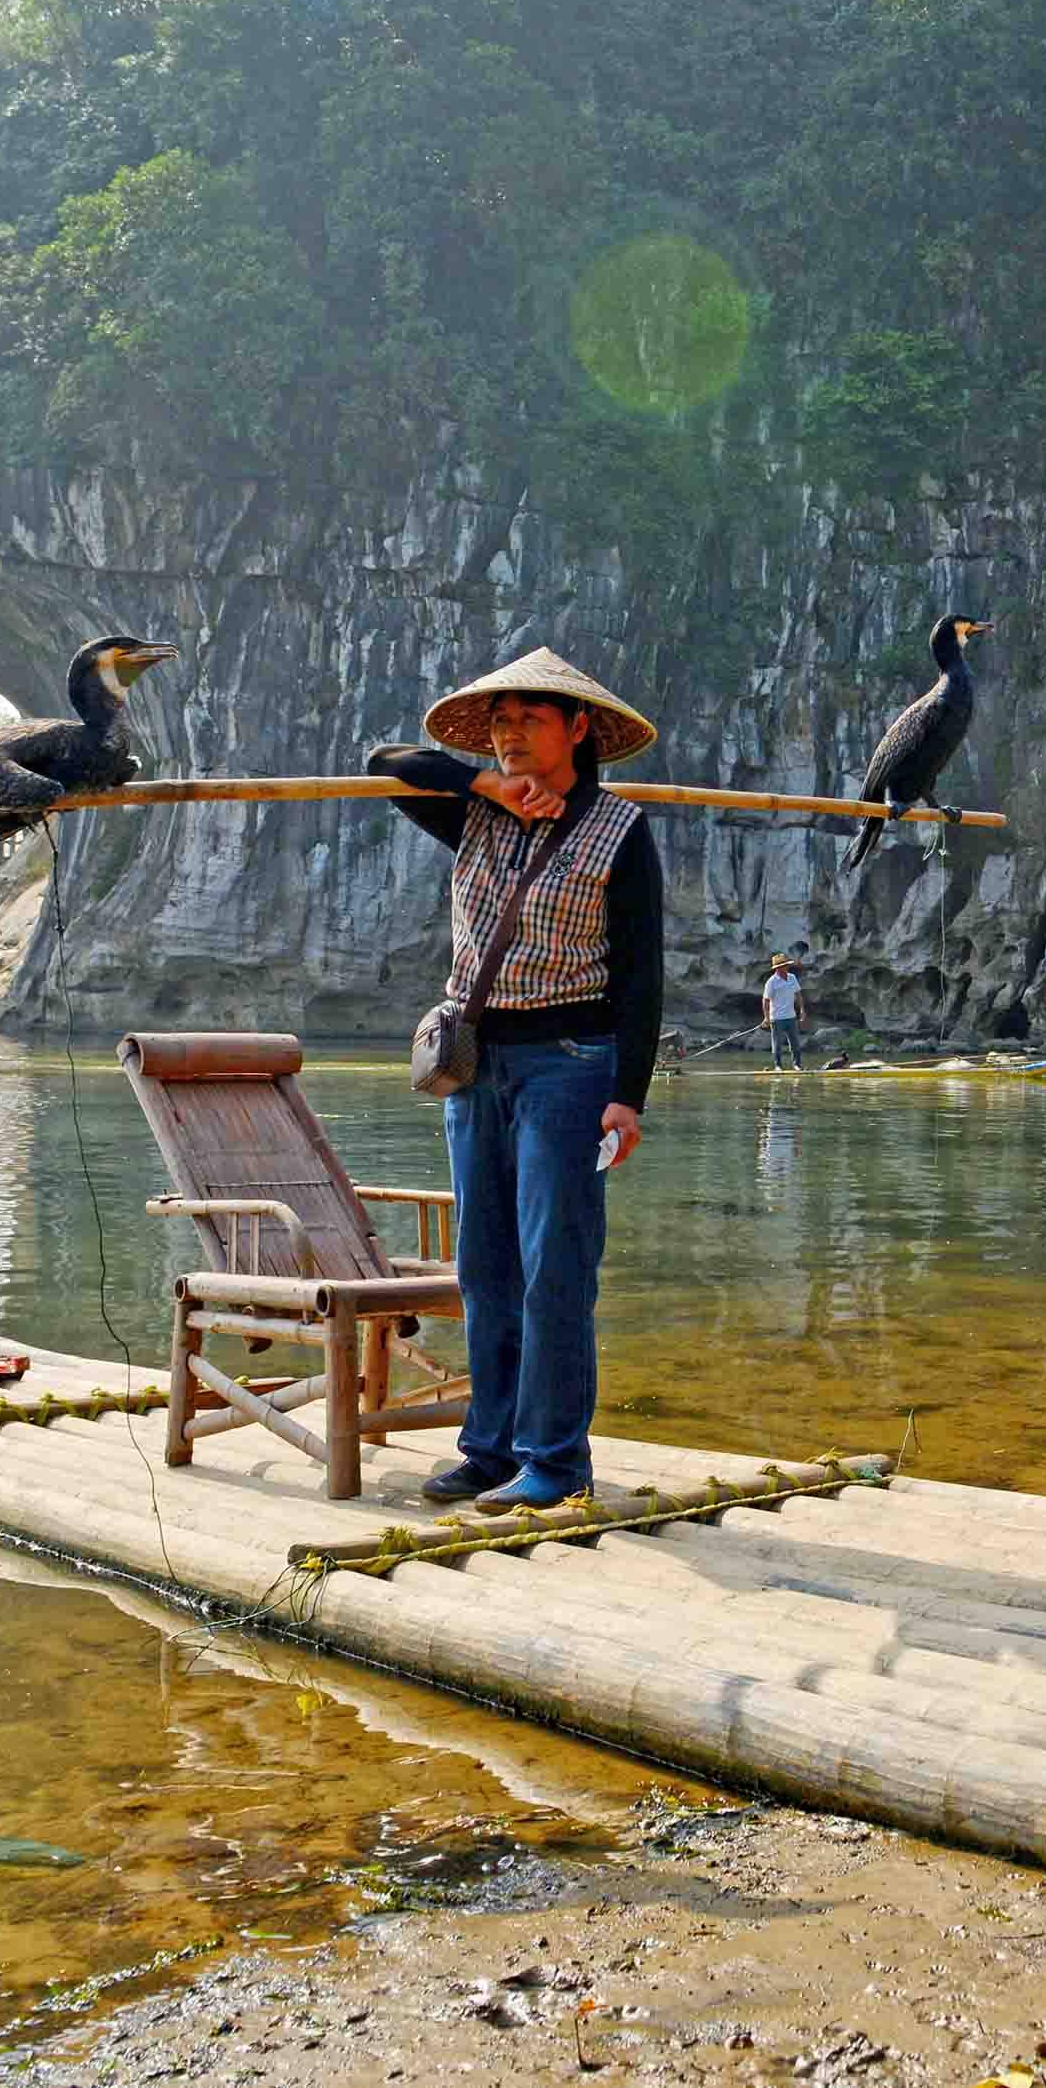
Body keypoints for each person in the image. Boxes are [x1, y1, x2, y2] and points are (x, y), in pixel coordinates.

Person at [364, 647, 662, 1514]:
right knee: (484, 1267)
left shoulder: (620, 831)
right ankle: (489, 1449)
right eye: (500, 721)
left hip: (571, 1067)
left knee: (554, 1265)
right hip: (474, 1066)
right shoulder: (473, 815)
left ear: (578, 728)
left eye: (530, 717)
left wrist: (627, 1095)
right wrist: (480, 785)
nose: (510, 733)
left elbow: (642, 976)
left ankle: (555, 1459)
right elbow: (385, 766)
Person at [761, 951, 805, 1071]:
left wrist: (802, 1010)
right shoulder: (771, 982)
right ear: (778, 968)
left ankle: (797, 1065)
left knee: (795, 1043)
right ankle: (778, 1066)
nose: (786, 967)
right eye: (784, 966)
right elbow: (765, 1000)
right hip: (776, 1018)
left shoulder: (792, 978)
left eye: (786, 965)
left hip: (791, 1016)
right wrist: (766, 1017)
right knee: (777, 1044)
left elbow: (798, 995)